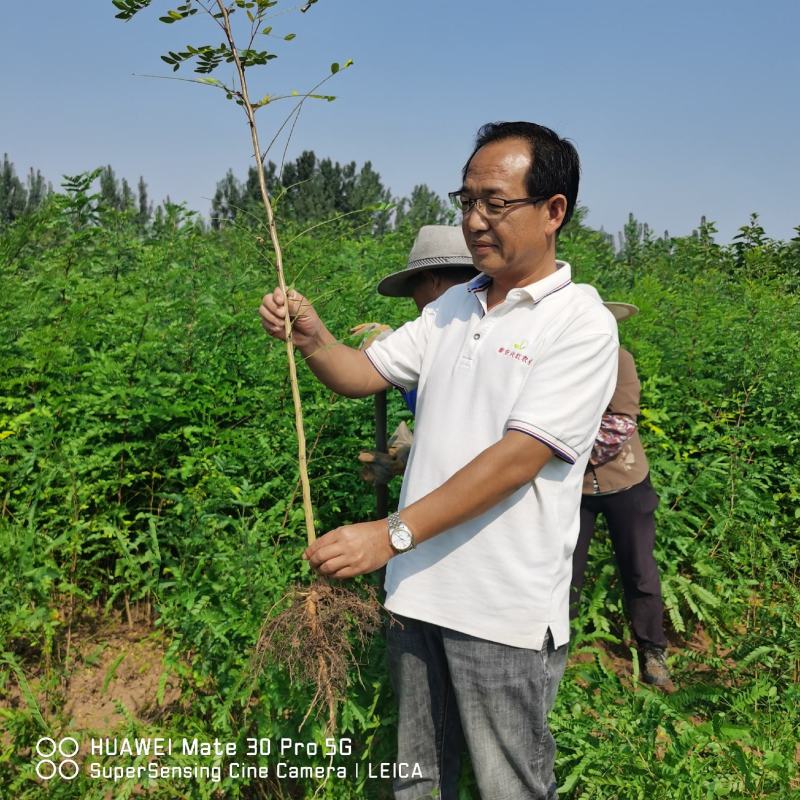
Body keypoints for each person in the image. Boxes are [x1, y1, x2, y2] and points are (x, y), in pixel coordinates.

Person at [260, 121, 619, 800]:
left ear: (554, 211)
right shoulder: (455, 305)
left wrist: (390, 534)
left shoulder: (580, 323)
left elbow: (519, 457)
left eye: (495, 202)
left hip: (502, 611)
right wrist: (314, 338)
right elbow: (362, 372)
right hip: (419, 594)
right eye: (466, 201)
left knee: (506, 786)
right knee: (416, 783)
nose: (475, 220)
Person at [569, 296, 671, 687]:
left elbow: (619, 424)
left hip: (623, 479)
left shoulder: (619, 359)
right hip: (573, 487)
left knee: (639, 567)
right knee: (564, 568)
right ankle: (560, 647)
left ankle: (653, 653)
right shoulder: (559, 361)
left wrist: (553, 453)